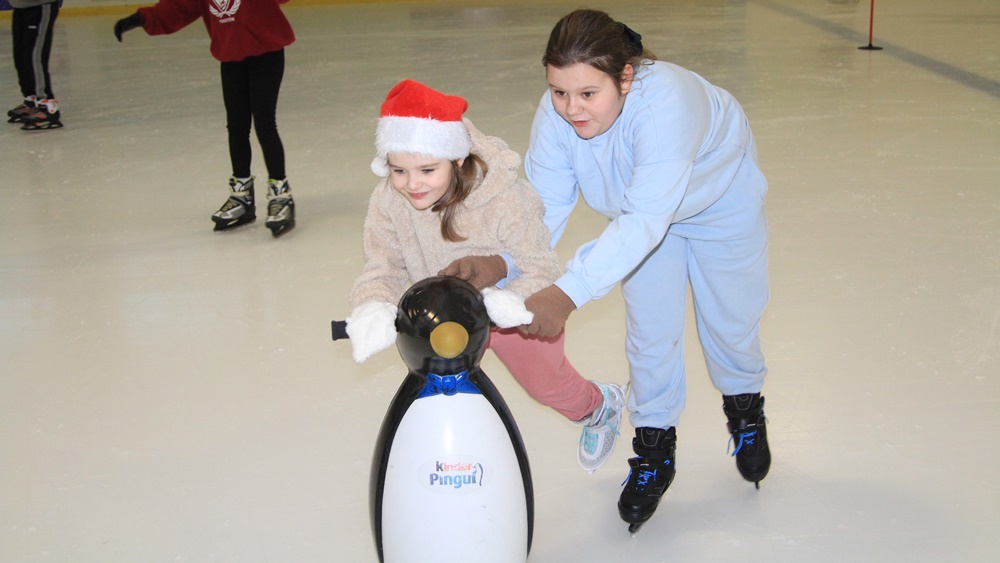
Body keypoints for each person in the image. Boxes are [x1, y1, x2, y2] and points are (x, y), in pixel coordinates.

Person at [522, 9, 772, 530]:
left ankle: (745, 408)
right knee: (650, 332)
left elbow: (643, 222)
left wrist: (565, 293)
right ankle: (655, 449)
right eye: (559, 91)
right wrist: (507, 266)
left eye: (587, 93)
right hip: (641, 213)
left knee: (730, 320)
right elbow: (541, 206)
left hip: (718, 201)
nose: (571, 108)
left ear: (625, 77)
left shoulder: (665, 107)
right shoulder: (556, 116)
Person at [346, 79, 626, 473]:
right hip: (441, 322)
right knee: (439, 391)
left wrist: (506, 301)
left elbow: (540, 264)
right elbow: (384, 264)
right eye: (399, 171)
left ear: (457, 159)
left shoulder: (504, 196)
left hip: (511, 309)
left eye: (427, 170)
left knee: (545, 384)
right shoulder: (390, 200)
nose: (412, 184)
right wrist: (374, 305)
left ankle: (597, 406)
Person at [113, 0, 296, 236]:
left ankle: (280, 194)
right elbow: (180, 6)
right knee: (236, 127)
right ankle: (242, 195)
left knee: (264, 124)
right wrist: (143, 18)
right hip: (231, 56)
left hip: (267, 53)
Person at [6, 0, 62, 130]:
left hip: (40, 7)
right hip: (20, 7)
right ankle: (31, 100)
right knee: (20, 57)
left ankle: (47, 104)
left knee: (34, 56)